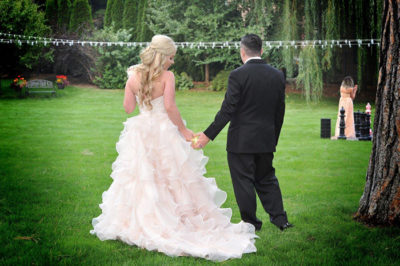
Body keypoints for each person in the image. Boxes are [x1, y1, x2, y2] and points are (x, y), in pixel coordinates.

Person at [90, 35, 257, 262]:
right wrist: (185, 132)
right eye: (171, 57)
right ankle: (173, 219)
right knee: (173, 176)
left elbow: (129, 109)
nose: (173, 62)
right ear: (162, 56)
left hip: (141, 131)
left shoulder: (133, 76)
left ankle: (140, 221)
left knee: (143, 177)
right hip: (163, 130)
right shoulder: (167, 76)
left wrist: (132, 89)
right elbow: (169, 107)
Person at [193, 34, 293, 232]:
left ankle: (251, 224)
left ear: (242, 52)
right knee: (267, 178)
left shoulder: (238, 75)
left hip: (241, 141)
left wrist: (207, 135)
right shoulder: (277, 75)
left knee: (243, 182)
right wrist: (273, 138)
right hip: (266, 139)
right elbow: (279, 112)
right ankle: (281, 220)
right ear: (262, 51)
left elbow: (228, 109)